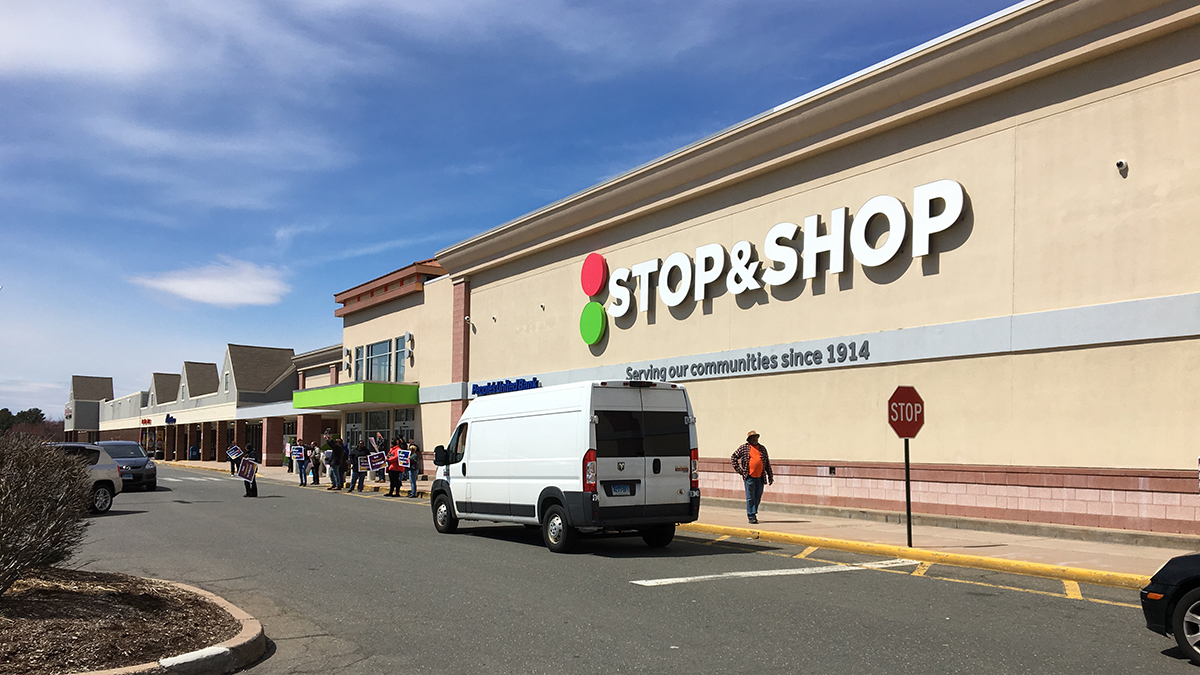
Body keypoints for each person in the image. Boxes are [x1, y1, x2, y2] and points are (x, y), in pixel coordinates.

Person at [730, 430, 774, 524]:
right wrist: (740, 471)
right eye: (753, 438)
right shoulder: (744, 447)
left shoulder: (762, 449)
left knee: (758, 496)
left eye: (756, 438)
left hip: (760, 477)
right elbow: (733, 457)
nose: (755, 439)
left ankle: (754, 511)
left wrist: (770, 476)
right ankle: (751, 515)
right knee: (750, 497)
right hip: (749, 476)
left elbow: (767, 463)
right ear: (749, 439)